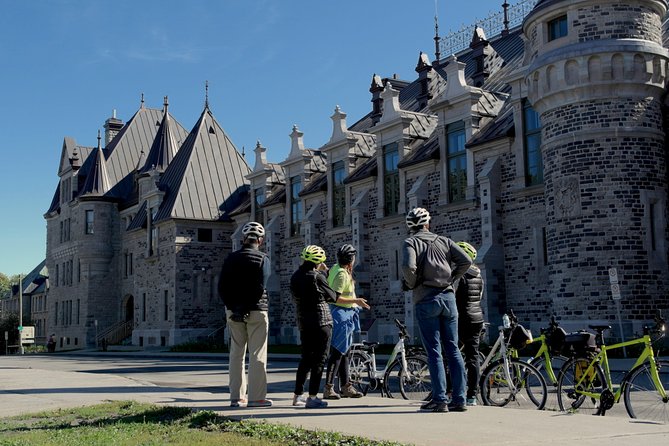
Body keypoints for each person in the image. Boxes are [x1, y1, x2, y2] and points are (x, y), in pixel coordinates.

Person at [401, 207, 472, 412]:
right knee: (453, 349)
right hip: (449, 299)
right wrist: (452, 277)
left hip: (426, 299)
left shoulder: (410, 242)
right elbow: (466, 261)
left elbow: (408, 267)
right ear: (427, 223)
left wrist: (413, 284)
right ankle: (460, 399)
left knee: (434, 351)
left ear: (410, 226)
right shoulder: (445, 241)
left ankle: (440, 399)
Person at [218, 221, 272, 408]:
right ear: (261, 240)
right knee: (257, 355)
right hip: (257, 310)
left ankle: (237, 397)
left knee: (236, 354)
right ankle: (257, 398)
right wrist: (248, 307)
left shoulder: (231, 259)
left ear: (243, 239)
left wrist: (235, 308)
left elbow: (222, 287)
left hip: (234, 312)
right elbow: (260, 287)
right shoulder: (263, 259)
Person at [290, 245, 338, 409]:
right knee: (319, 360)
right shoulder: (317, 276)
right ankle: (313, 397)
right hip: (322, 321)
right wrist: (326, 273)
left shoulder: (295, 276)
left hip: (304, 321)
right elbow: (332, 296)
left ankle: (298, 395)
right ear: (319, 262)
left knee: (305, 359)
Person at [323, 244, 371, 400]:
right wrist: (356, 300)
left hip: (345, 314)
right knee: (337, 352)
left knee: (345, 353)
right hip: (340, 315)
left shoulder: (336, 269)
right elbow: (334, 297)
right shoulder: (342, 274)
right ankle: (329, 388)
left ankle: (346, 386)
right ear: (352, 259)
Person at [454, 241, 484, 406]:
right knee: (473, 357)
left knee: (452, 354)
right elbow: (479, 297)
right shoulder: (479, 275)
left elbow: (452, 298)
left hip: (461, 319)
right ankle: (472, 395)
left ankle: (452, 389)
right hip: (477, 318)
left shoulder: (459, 275)